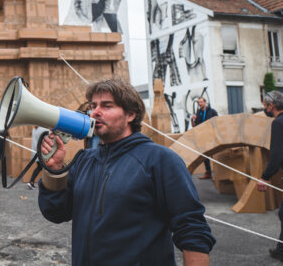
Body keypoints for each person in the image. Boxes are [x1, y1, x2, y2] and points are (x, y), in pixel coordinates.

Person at [38, 79, 215, 265]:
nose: (95, 112)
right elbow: (55, 213)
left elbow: (191, 229)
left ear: (130, 114)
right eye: (93, 106)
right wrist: (55, 170)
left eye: (107, 106)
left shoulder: (159, 159)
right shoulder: (84, 160)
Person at [257, 91, 283, 261]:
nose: (265, 108)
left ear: (271, 105)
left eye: (265, 105)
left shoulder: (278, 123)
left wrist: (265, 176)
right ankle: (280, 250)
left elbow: (277, 154)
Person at [191, 97, 218, 179]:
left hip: (211, 136)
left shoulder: (212, 111)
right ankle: (208, 173)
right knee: (205, 156)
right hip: (202, 137)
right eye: (198, 102)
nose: (199, 104)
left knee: (215, 155)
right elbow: (194, 126)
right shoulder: (198, 112)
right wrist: (192, 120)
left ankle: (217, 176)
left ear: (205, 102)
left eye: (201, 102)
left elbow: (217, 122)